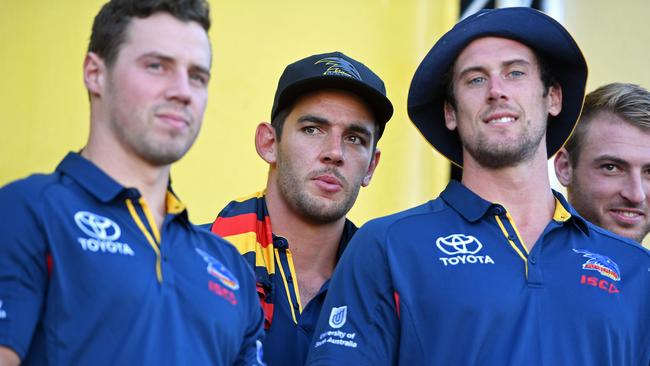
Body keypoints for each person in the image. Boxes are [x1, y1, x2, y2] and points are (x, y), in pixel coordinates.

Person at [307, 7, 650, 366]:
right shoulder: (387, 245)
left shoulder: (636, 268)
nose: (496, 91)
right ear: (450, 113)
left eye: (515, 73)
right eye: (475, 79)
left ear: (553, 98)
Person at [0, 1, 265, 365]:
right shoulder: (27, 212)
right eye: (157, 66)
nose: (183, 91)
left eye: (198, 76)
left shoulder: (231, 268)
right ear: (96, 73)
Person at [208, 51, 392, 366]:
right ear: (269, 143)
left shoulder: (391, 286)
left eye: (355, 138)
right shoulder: (192, 261)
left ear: (371, 166)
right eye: (312, 129)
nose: (334, 153)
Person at [554, 82, 650, 243]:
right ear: (564, 167)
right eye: (611, 168)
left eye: (649, 172)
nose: (636, 195)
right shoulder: (514, 264)